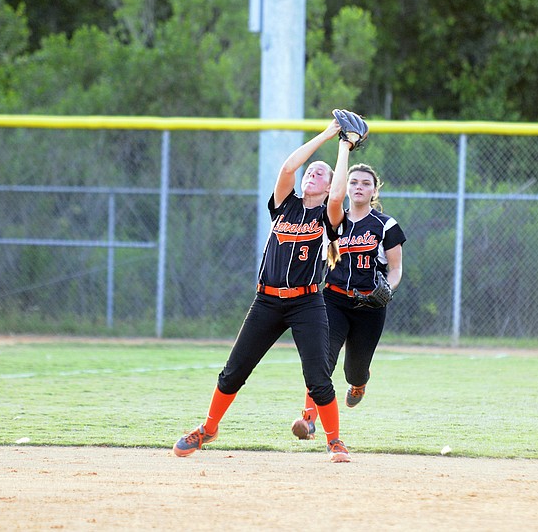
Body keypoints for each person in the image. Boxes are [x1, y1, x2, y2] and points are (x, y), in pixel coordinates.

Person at [173, 117, 354, 463]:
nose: (311, 174)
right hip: (267, 300)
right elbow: (288, 167)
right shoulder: (285, 205)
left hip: (307, 303)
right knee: (234, 371)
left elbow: (338, 194)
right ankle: (208, 429)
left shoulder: (328, 216)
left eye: (320, 173)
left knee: (318, 377)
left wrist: (344, 149)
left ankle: (334, 441)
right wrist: (328, 134)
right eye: (311, 172)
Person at [291, 161, 405, 441]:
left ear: (374, 190)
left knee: (355, 368)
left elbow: (395, 269)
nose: (358, 187)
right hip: (333, 300)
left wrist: (388, 289)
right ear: (344, 187)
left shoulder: (385, 224)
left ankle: (358, 384)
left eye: (366, 183)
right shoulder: (333, 220)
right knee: (321, 360)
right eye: (353, 182)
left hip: (370, 306)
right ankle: (308, 420)